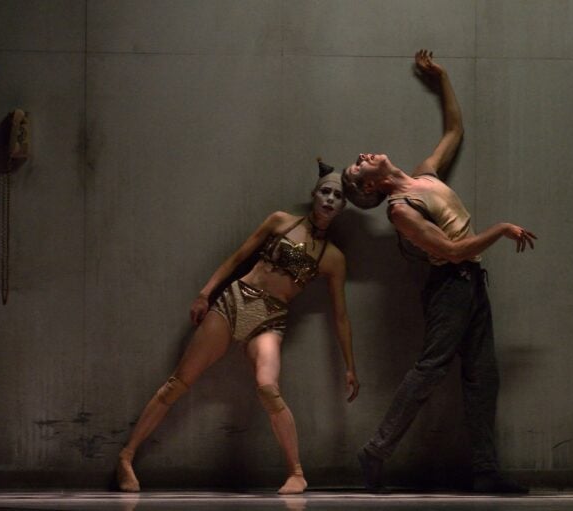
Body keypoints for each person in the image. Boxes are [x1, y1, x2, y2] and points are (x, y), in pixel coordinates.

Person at [342, 50, 536, 493]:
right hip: (450, 287)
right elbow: (450, 251)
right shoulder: (400, 210)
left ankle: (486, 472)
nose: (363, 154)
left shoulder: (423, 177)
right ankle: (375, 452)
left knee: (483, 376)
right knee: (429, 370)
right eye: (360, 164)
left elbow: (455, 130)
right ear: (371, 186)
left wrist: (443, 77)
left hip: (472, 286)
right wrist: (501, 229)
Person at [115, 161, 360, 495]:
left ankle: (296, 473)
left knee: (268, 387)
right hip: (235, 302)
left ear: (344, 206)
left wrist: (349, 366)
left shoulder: (333, 259)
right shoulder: (280, 221)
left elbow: (341, 316)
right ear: (314, 194)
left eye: (338, 196)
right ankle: (127, 457)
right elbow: (236, 258)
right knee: (179, 382)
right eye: (326, 192)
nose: (330, 199)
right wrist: (205, 294)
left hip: (270, 318)